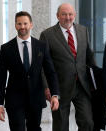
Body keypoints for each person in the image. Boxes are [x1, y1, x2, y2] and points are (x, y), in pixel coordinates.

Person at [0, 11, 59, 131]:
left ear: (31, 25)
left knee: (34, 128)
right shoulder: (6, 49)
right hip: (14, 99)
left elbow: (50, 72)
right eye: (19, 24)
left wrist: (54, 94)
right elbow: (1, 77)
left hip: (36, 98)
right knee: (17, 128)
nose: (22, 26)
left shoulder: (41, 46)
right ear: (15, 25)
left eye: (25, 23)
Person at [39, 3, 95, 131]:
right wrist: (47, 87)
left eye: (70, 14)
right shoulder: (47, 35)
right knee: (61, 125)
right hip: (59, 87)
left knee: (87, 122)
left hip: (82, 85)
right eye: (64, 14)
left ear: (74, 15)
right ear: (57, 16)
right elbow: (42, 65)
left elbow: (89, 57)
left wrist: (96, 81)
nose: (68, 17)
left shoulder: (83, 30)